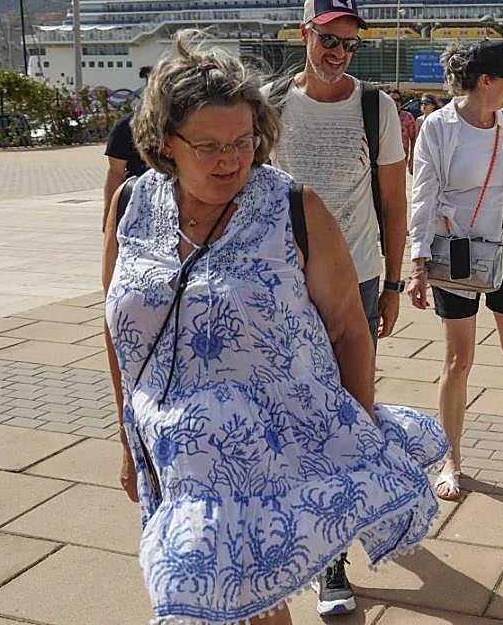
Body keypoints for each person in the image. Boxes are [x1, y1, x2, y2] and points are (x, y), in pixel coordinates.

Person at [101, 32, 446, 624]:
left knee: (241, 604)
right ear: (165, 143)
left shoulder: (293, 208)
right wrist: (127, 440)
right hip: (173, 451)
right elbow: (117, 329)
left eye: (242, 141)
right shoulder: (132, 204)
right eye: (207, 145)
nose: (230, 159)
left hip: (273, 454)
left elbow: (348, 330)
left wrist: (356, 437)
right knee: (238, 605)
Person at [266, 0, 408, 614]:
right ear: (304, 35)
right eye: (329, 39)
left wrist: (397, 282)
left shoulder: (375, 107)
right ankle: (299, 532)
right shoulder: (270, 104)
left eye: (351, 42)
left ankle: (331, 560)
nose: (341, 52)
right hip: (283, 282)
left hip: (359, 280)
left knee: (347, 417)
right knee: (290, 414)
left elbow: (395, 203)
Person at [407, 40, 503, 502]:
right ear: (485, 81)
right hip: (458, 254)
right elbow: (423, 196)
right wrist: (417, 262)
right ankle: (451, 458)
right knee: (458, 360)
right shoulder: (439, 127)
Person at [102, 65, 152, 228]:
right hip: (137, 202)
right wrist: (110, 214)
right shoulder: (126, 126)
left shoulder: (182, 126)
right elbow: (115, 172)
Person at [390, 88, 418, 173]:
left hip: (401, 159)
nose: (396, 102)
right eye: (392, 100)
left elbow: (413, 139)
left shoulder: (407, 117)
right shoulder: (380, 116)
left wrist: (412, 159)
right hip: (382, 159)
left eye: (398, 100)